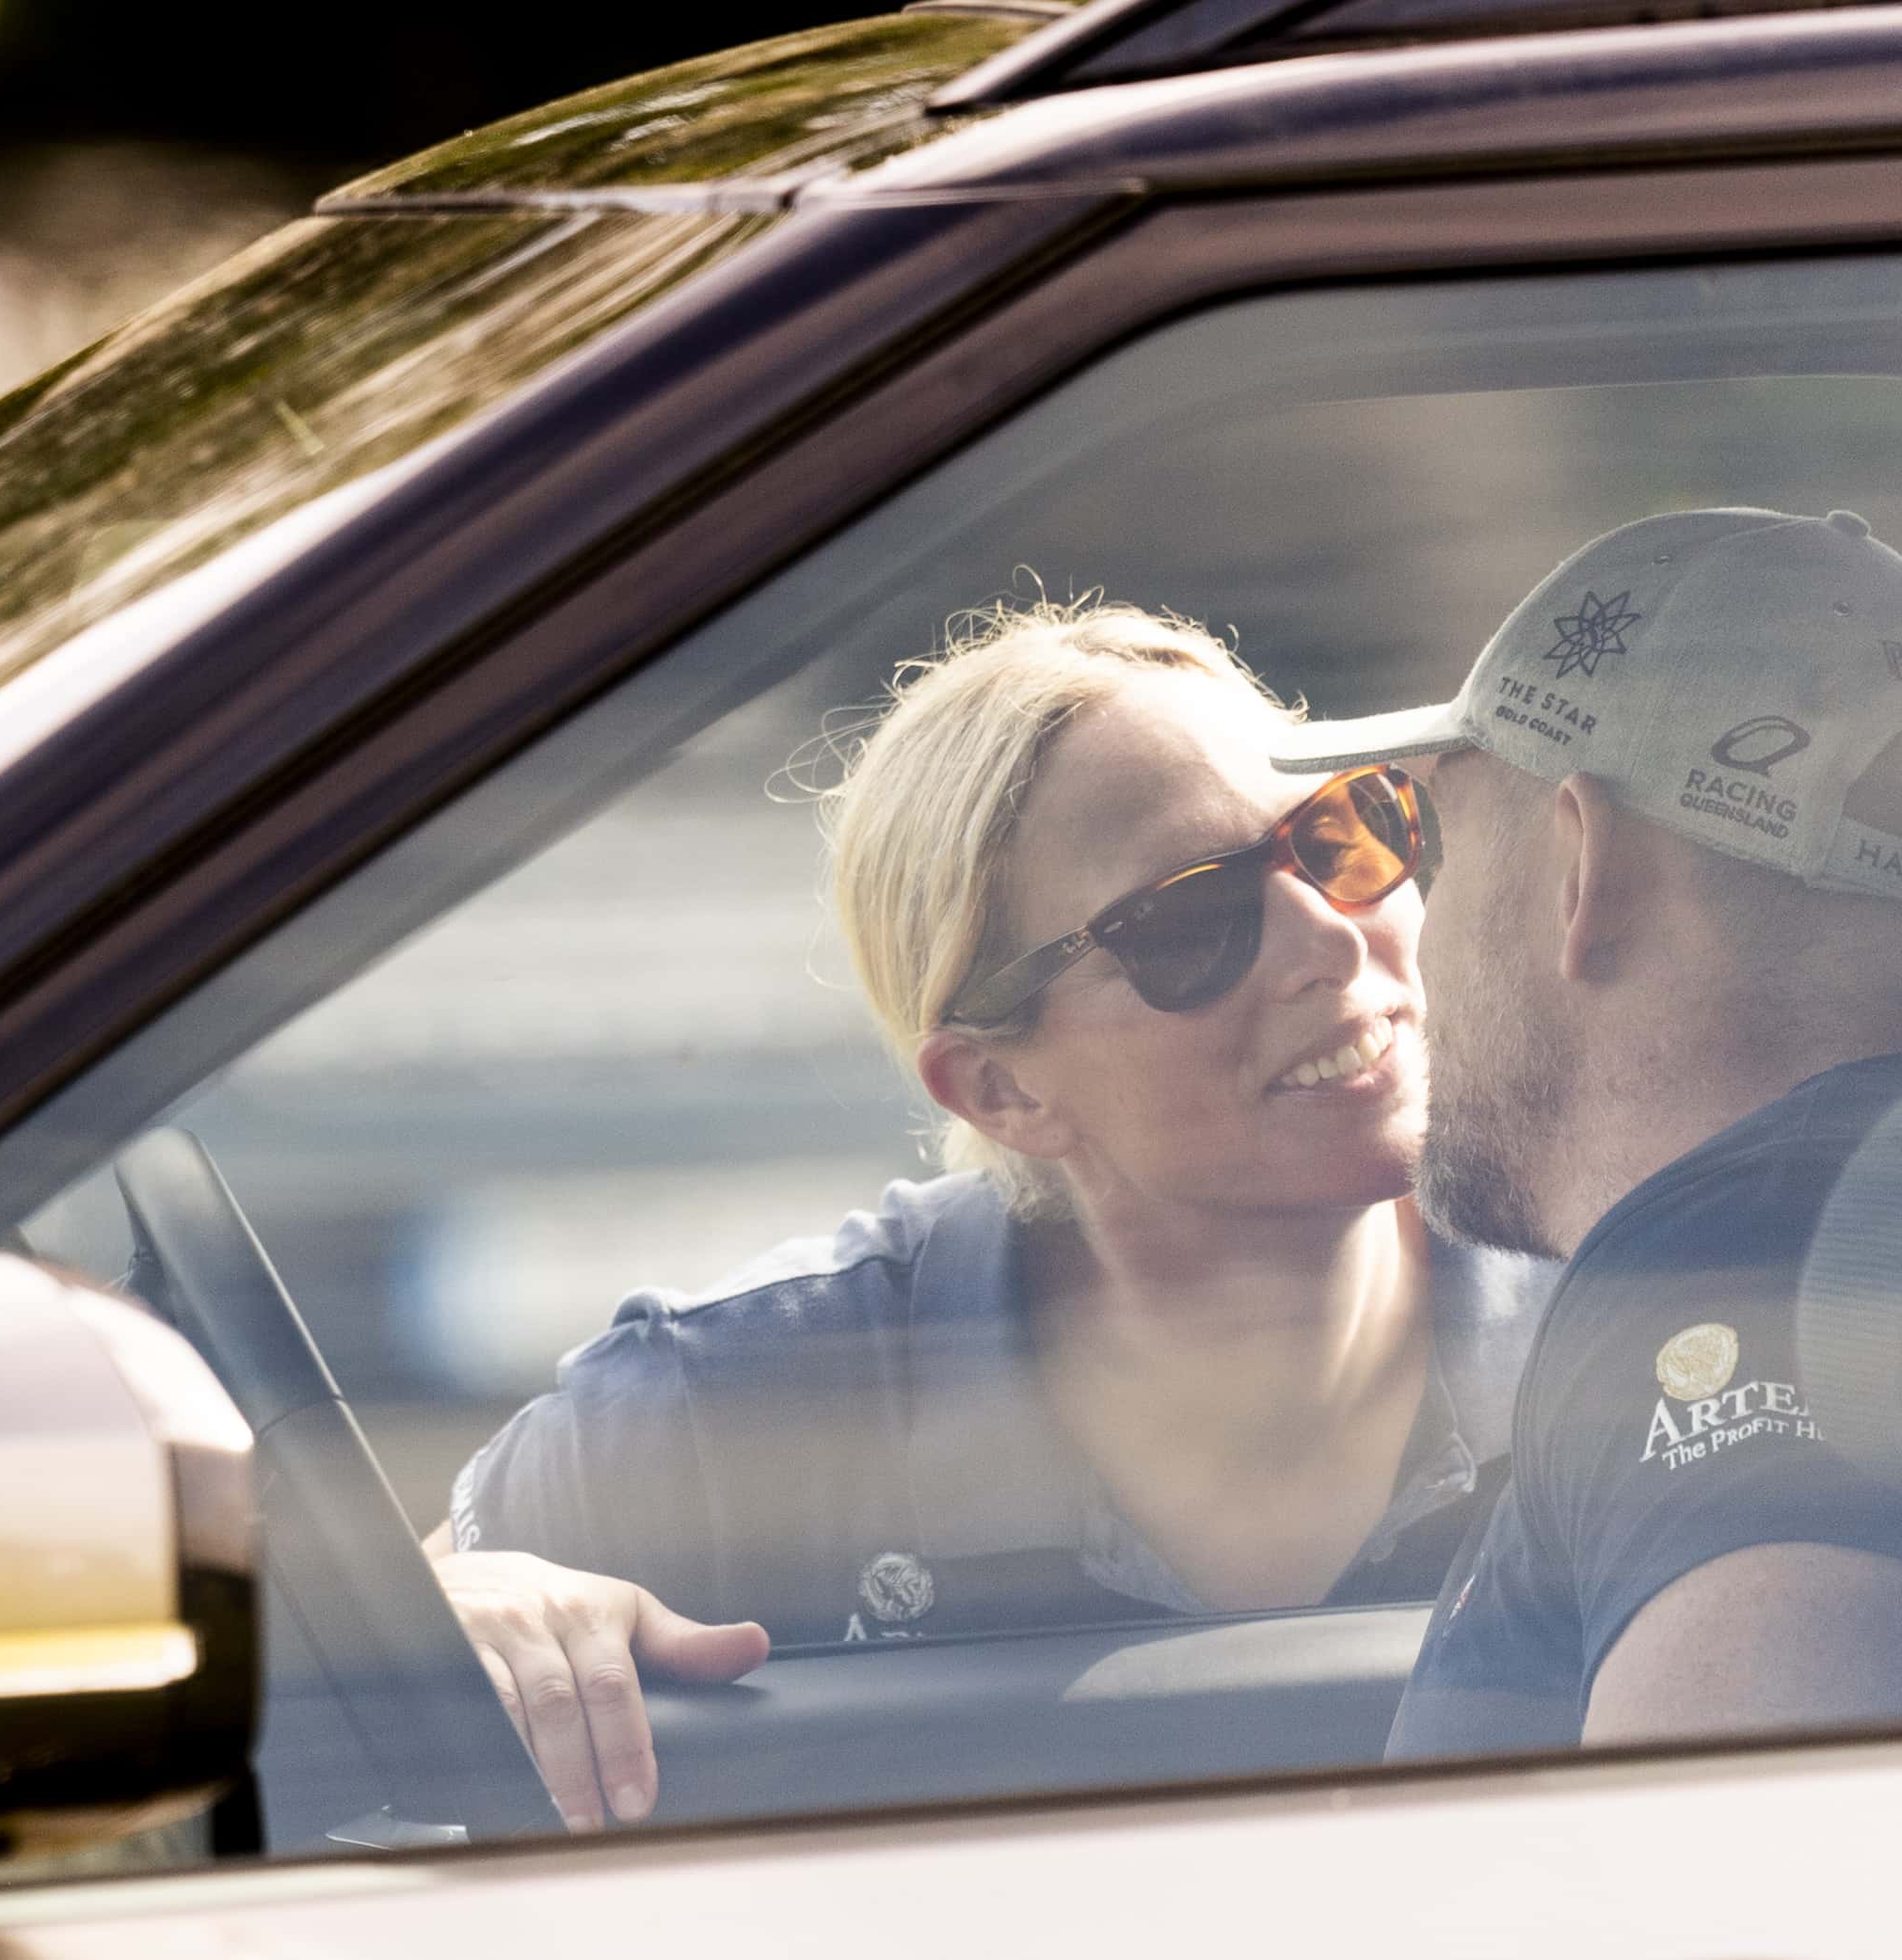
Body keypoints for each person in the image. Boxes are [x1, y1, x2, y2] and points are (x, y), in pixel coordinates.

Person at [429, 601, 1546, 1826]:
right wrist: (475, 1612)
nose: (1332, 939)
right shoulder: (746, 1402)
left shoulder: (1632, 1302)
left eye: (1343, 836)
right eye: (1188, 923)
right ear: (999, 1089)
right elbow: (382, 1629)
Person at [1266, 506, 1902, 1756]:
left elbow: (1760, 1846)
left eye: (1443, 844)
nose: (1417, 931)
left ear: (1587, 871)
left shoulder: (1734, 1273)